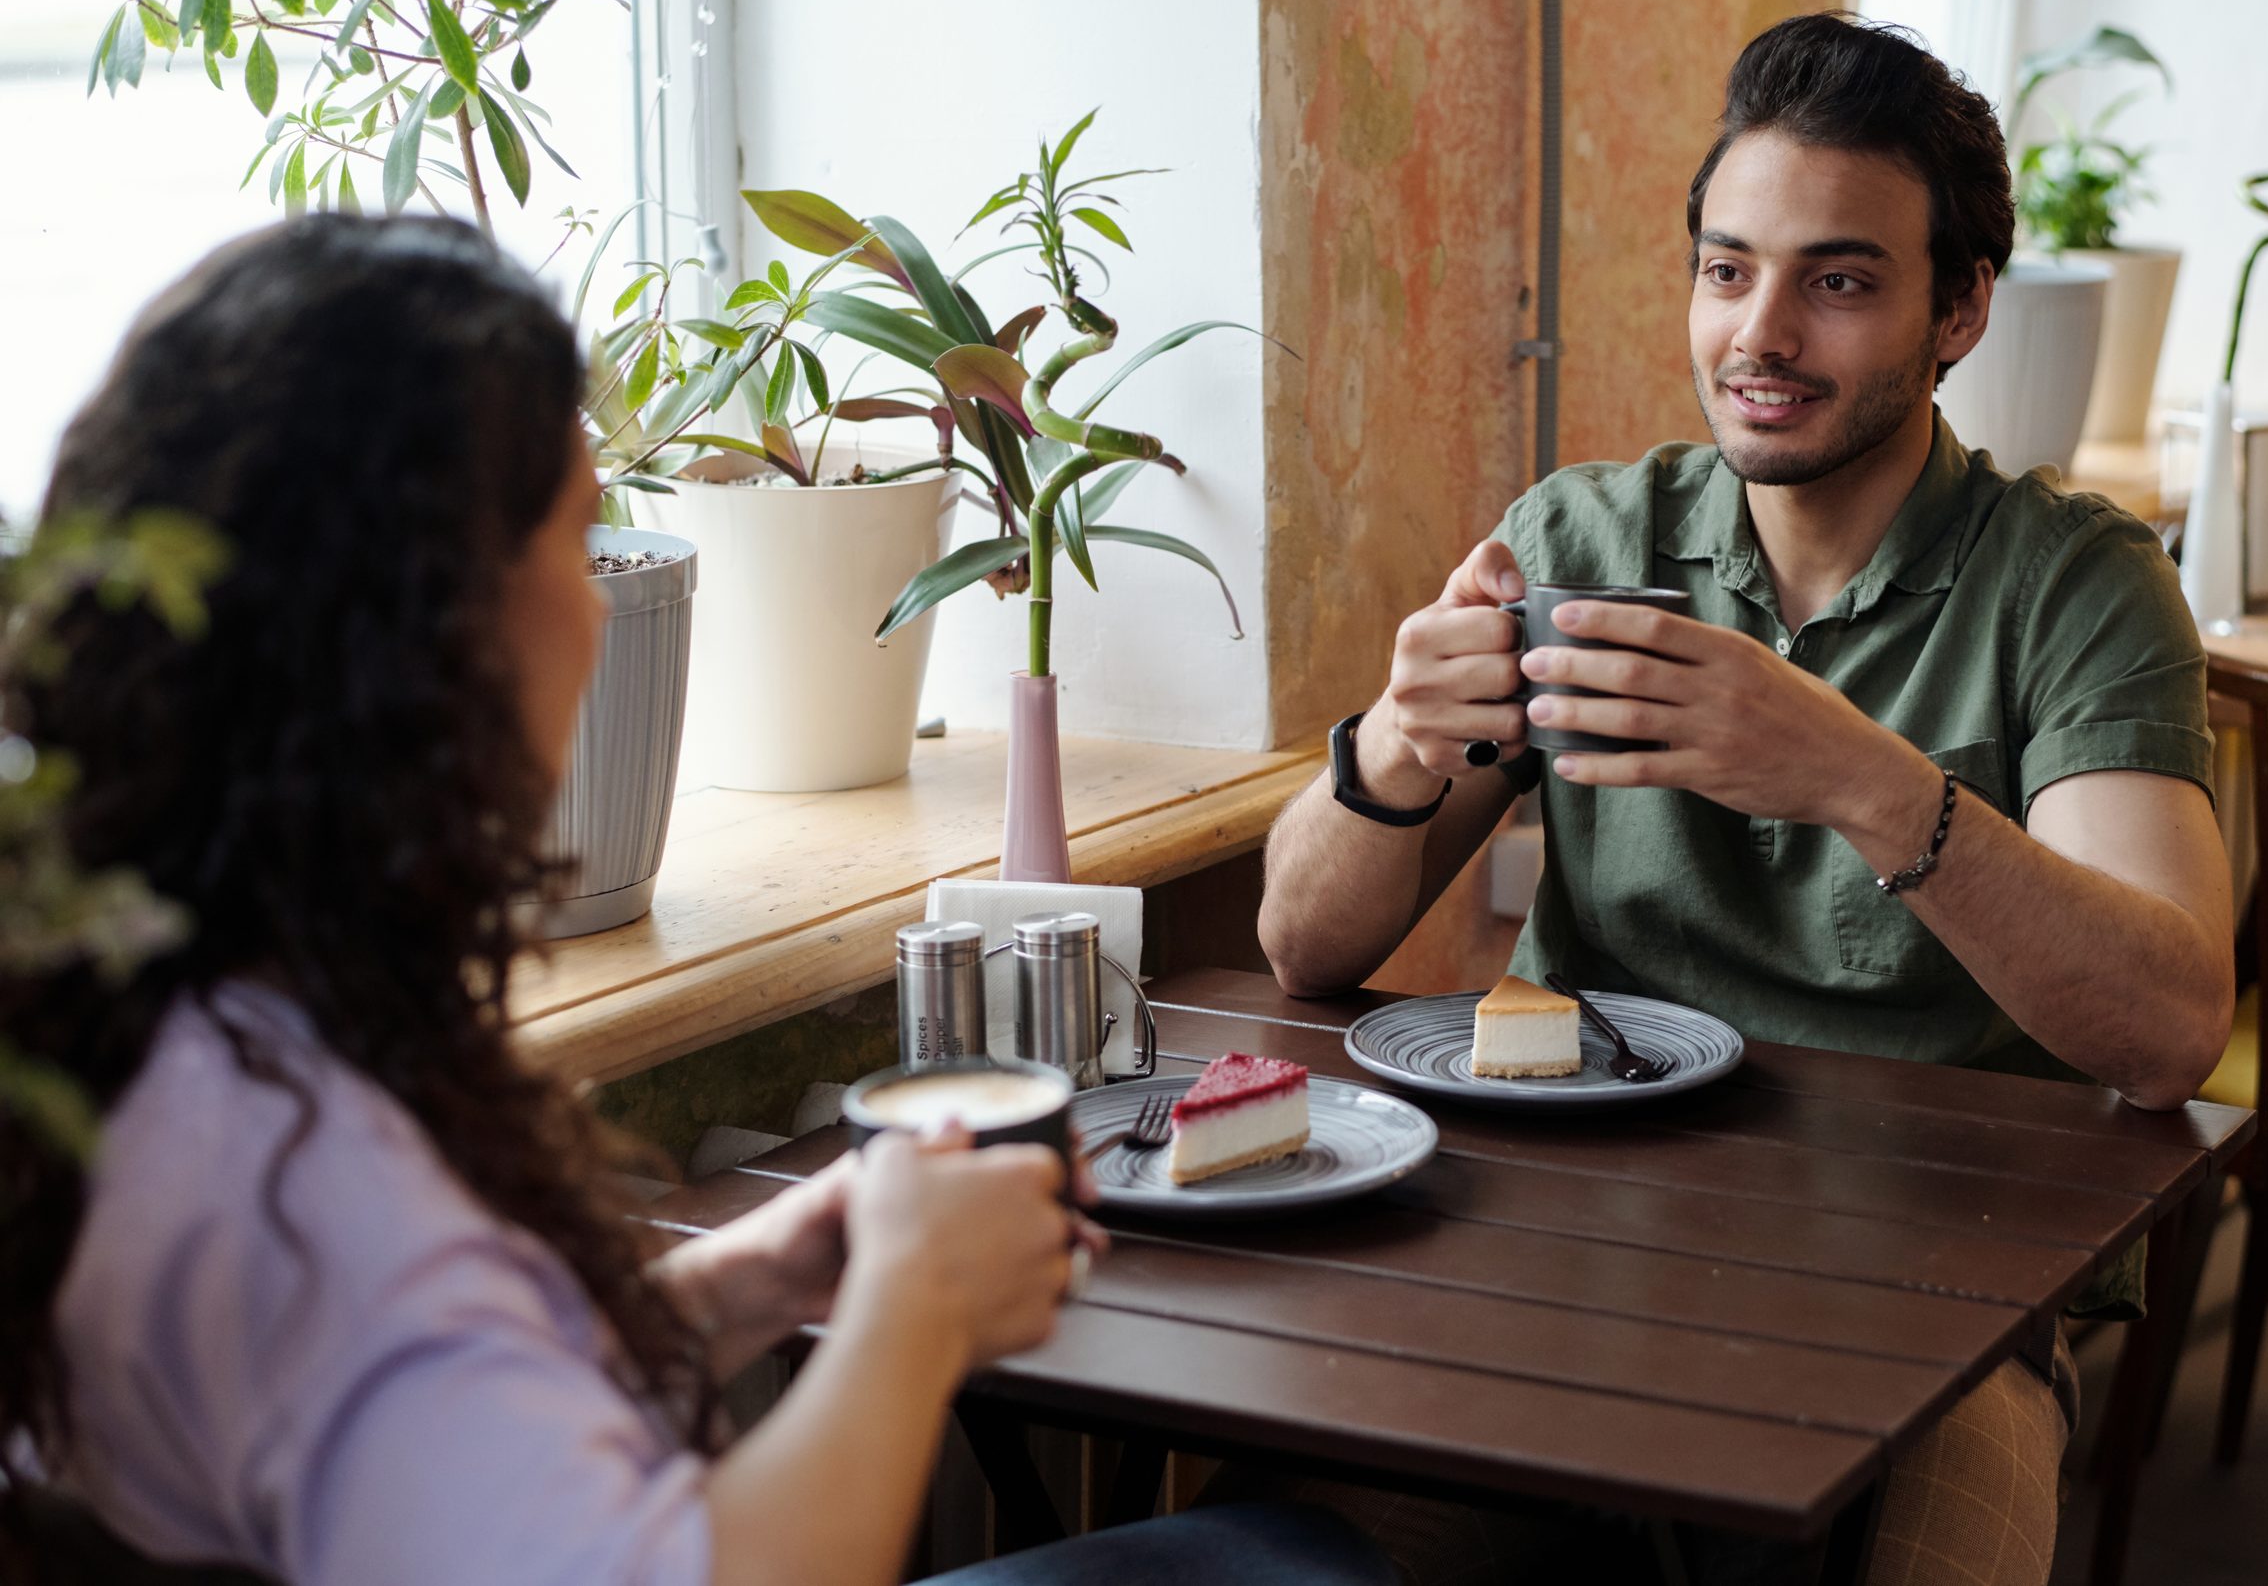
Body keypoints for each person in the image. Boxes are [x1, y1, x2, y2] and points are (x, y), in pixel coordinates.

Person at [0, 216, 1394, 1586]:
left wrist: (755, 1282)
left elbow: (446, 1434)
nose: (608, 599)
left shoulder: (158, 1031)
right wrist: (910, 1315)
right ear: (426, 635)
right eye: (579, 528)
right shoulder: (315, 1181)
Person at [1258, 14, 2234, 1585]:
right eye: (1728, 270)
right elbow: (1302, 946)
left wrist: (1848, 769)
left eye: (1838, 281)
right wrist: (1393, 746)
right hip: (1554, 1244)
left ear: (1961, 308)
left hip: (1944, 1292)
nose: (1760, 333)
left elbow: (2169, 1024)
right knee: (1297, 1522)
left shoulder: (2078, 586)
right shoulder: (1581, 537)